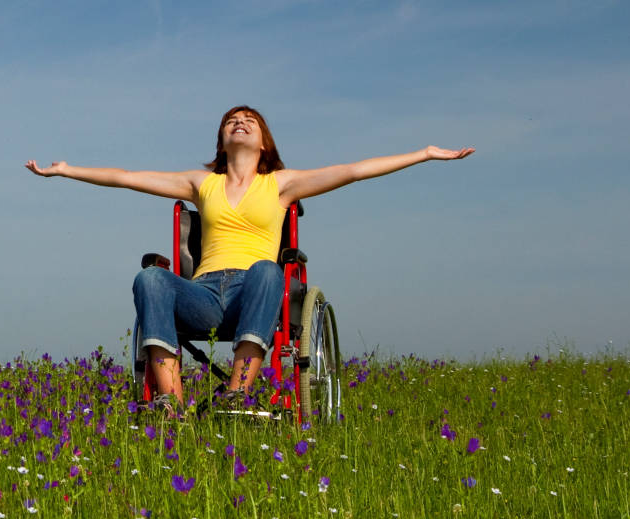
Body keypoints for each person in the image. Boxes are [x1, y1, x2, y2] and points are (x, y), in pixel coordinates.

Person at [25, 105, 473, 411]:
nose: (239, 122)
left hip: (252, 292)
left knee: (266, 269)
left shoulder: (280, 183)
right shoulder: (201, 183)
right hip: (202, 293)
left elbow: (354, 171)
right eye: (232, 120)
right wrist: (67, 171)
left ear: (263, 141)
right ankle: (170, 406)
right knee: (151, 279)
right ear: (222, 140)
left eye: (249, 120)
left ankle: (236, 396)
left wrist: (425, 155)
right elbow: (127, 178)